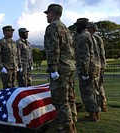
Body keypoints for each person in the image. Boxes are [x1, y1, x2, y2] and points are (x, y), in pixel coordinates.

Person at [44, 4, 77, 133]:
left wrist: (53, 68)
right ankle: (72, 120)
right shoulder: (66, 28)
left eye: (48, 13)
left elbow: (53, 49)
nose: (47, 16)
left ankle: (67, 126)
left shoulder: (53, 27)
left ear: (53, 13)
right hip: (69, 66)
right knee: (69, 96)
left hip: (60, 67)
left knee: (60, 98)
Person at [75, 18, 101, 122]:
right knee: (94, 92)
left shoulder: (83, 36)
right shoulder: (92, 36)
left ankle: (93, 116)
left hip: (88, 69)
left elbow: (85, 55)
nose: (76, 27)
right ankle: (96, 114)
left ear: (81, 26)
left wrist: (84, 71)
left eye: (77, 25)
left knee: (87, 93)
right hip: (95, 66)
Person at [87, 22, 108, 112]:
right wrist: (103, 64)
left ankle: (96, 107)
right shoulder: (99, 38)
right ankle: (103, 104)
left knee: (94, 87)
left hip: (93, 65)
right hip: (100, 65)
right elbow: (102, 53)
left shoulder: (91, 38)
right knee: (99, 86)